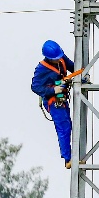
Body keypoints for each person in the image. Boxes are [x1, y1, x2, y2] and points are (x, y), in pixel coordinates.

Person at [31, 40, 75, 168]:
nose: (58, 59)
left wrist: (81, 77)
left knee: (69, 125)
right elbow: (35, 87)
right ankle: (68, 159)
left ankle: (73, 156)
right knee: (63, 127)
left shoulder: (61, 58)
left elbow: (73, 68)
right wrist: (53, 90)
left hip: (62, 97)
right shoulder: (41, 69)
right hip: (53, 101)